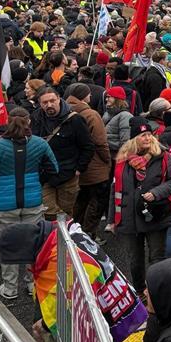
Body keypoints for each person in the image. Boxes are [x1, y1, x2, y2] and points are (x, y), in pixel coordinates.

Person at [0, 108, 58, 300]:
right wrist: (37, 181)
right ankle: (32, 284)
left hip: (5, 203)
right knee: (34, 242)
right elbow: (53, 168)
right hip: (33, 200)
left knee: (8, 244)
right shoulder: (39, 143)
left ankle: (10, 287)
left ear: (7, 121)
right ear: (29, 121)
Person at [109, 130, 171, 292]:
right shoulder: (122, 160)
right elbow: (115, 190)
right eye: (143, 135)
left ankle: (156, 292)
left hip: (155, 214)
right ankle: (140, 291)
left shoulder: (162, 156)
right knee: (135, 260)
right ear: (134, 138)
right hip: (128, 218)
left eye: (149, 134)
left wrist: (156, 193)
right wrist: (112, 219)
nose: (148, 138)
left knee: (156, 258)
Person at [31, 86, 94, 220]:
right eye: (45, 102)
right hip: (44, 175)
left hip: (67, 175)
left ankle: (65, 231)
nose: (49, 105)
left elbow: (88, 146)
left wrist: (79, 169)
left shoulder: (75, 120)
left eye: (52, 101)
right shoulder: (36, 118)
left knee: (65, 213)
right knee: (49, 213)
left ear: (59, 99)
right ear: (40, 104)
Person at [65, 84, 112, 237]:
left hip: (75, 164)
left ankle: (74, 232)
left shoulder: (65, 111)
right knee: (97, 201)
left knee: (80, 201)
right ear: (83, 96)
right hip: (95, 166)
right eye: (88, 94)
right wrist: (107, 160)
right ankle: (89, 234)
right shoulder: (91, 115)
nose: (91, 96)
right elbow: (100, 141)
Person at [102, 86, 134, 157]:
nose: (106, 99)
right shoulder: (107, 113)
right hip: (107, 153)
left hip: (116, 156)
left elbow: (125, 141)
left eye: (109, 97)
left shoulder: (125, 116)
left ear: (117, 99)